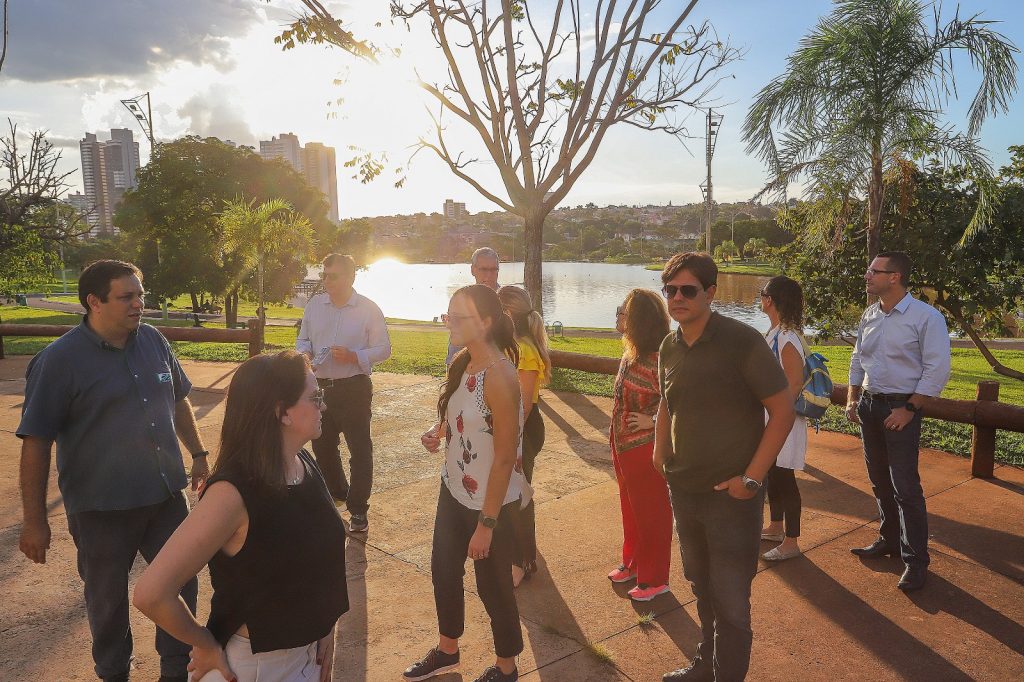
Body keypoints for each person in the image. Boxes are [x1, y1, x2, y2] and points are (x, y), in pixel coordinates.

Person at [17, 259, 209, 682]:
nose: (139, 303)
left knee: (180, 586)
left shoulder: (154, 340)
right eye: (128, 296)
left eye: (141, 294)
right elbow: (36, 443)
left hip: (164, 498)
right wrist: (34, 521)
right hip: (101, 509)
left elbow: (177, 399)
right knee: (107, 603)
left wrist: (197, 453)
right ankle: (113, 673)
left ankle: (176, 672)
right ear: (94, 302)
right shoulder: (58, 361)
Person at [133, 351, 348, 682]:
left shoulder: (301, 462)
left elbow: (314, 564)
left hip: (304, 657)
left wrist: (325, 628)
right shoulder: (232, 494)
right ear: (282, 412)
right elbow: (151, 593)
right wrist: (203, 643)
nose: (324, 405)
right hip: (255, 668)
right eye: (316, 396)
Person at [653, 252, 794, 682]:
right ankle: (705, 666)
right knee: (701, 585)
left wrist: (752, 479)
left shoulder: (741, 341)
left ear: (710, 293)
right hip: (685, 488)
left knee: (732, 599)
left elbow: (783, 410)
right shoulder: (669, 344)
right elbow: (665, 400)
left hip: (732, 496)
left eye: (688, 290)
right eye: (670, 290)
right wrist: (660, 453)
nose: (677, 298)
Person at [404, 285, 528, 682]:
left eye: (458, 317)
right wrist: (437, 431)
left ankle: (506, 667)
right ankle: (447, 651)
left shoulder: (501, 377)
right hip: (453, 489)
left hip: (492, 503)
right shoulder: (463, 362)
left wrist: (486, 525)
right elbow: (458, 415)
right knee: (443, 571)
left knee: (493, 589)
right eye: (448, 315)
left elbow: (506, 456)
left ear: (486, 322)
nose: (449, 323)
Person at [846, 251, 951, 592]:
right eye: (868, 269)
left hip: (900, 409)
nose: (867, 275)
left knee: (905, 487)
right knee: (879, 480)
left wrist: (909, 408)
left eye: (874, 271)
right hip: (870, 406)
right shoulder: (871, 314)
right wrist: (852, 396)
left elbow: (937, 369)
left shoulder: (926, 317)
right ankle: (889, 540)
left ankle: (916, 561)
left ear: (895, 277)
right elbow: (858, 356)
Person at [296, 253, 391, 533]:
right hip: (319, 388)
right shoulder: (314, 305)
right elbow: (303, 338)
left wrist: (355, 356)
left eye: (333, 276)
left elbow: (383, 349)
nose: (327, 281)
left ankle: (359, 509)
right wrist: (304, 353)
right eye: (324, 275)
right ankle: (338, 494)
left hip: (354, 389)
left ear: (351, 277)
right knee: (323, 449)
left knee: (360, 450)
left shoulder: (368, 308)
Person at [608, 289, 674, 601]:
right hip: (621, 443)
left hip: (646, 446)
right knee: (630, 507)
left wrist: (654, 420)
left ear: (638, 320)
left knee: (653, 512)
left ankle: (655, 578)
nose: (619, 315)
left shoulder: (663, 357)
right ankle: (633, 563)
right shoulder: (631, 352)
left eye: (623, 311)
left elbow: (682, 399)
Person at [497, 285, 551, 588]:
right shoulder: (508, 345)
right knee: (508, 495)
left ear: (505, 313)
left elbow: (526, 404)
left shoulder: (525, 349)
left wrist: (510, 439)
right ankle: (513, 556)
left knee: (519, 496)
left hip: (522, 431)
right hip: (509, 428)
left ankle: (523, 562)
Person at [759, 276, 809, 562]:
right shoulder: (777, 332)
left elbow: (794, 382)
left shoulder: (787, 337)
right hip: (776, 416)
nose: (760, 298)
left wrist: (778, 417)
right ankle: (776, 527)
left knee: (784, 477)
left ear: (771, 300)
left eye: (762, 293)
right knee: (774, 474)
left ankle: (791, 541)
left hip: (784, 419)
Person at [446, 248, 501, 366]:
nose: (489, 275)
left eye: (493, 269)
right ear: (473, 270)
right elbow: (455, 347)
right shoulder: (462, 301)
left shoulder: (507, 300)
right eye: (484, 269)